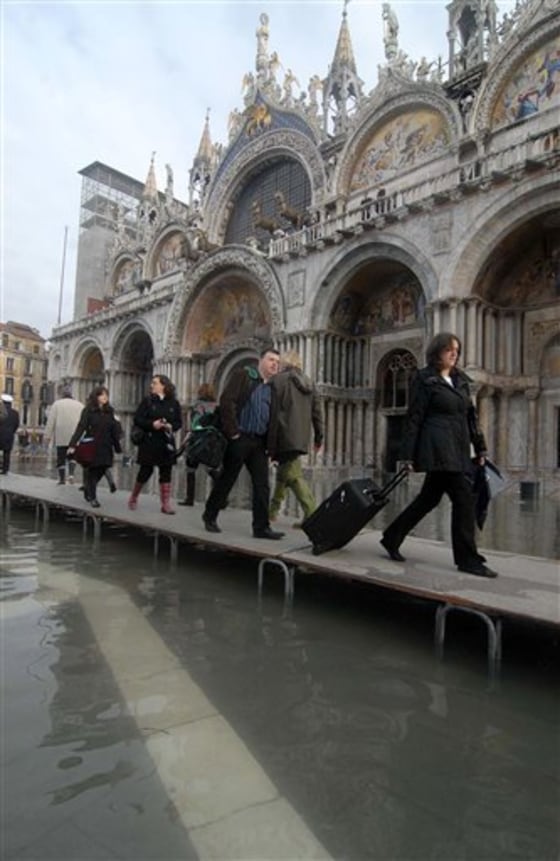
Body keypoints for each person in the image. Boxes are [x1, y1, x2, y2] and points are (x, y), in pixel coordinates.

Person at [380, 332, 497, 578]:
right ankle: (467, 559)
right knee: (464, 500)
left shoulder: (461, 380)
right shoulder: (424, 378)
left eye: (457, 349)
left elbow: (471, 417)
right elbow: (415, 417)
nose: (454, 354)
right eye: (449, 349)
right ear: (437, 352)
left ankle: (391, 537)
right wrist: (408, 456)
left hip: (459, 446)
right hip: (437, 446)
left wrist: (481, 447)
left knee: (428, 499)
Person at [202, 347, 285, 539]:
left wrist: (272, 447)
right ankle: (210, 515)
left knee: (262, 485)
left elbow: (273, 419)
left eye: (277, 362)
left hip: (259, 443)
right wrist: (233, 433)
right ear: (261, 361)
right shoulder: (244, 375)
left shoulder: (273, 388)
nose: (275, 364)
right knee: (227, 479)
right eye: (271, 360)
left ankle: (261, 527)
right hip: (240, 438)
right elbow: (227, 401)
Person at [268, 351, 324, 527]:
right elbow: (317, 413)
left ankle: (313, 515)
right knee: (285, 472)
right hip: (300, 437)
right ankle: (272, 512)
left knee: (294, 477)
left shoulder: (277, 380)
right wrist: (318, 438)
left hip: (281, 435)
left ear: (285, 363)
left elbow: (268, 409)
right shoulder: (310, 383)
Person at [128, 374, 183, 514]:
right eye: (152, 383)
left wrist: (171, 426)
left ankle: (165, 504)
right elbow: (138, 420)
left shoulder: (174, 403)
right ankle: (134, 497)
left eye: (155, 383)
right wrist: (152, 424)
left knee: (166, 472)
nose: (152, 385)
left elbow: (179, 423)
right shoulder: (147, 401)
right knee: (145, 471)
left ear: (163, 385)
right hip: (149, 441)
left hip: (166, 442)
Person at [67, 386, 122, 508]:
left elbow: (114, 429)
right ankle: (93, 497)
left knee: (104, 468)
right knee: (93, 470)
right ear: (96, 397)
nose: (105, 397)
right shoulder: (88, 410)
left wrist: (117, 446)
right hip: (93, 444)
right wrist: (72, 444)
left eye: (106, 395)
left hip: (107, 445)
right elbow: (81, 427)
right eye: (102, 395)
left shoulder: (110, 411)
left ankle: (88, 487)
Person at [179, 382, 218, 507]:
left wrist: (186, 439)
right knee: (211, 469)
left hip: (197, 439)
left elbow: (195, 424)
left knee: (191, 468)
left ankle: (189, 498)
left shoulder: (198, 406)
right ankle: (221, 498)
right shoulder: (216, 406)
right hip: (211, 440)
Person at [43, 385, 84, 485]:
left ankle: (62, 479)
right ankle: (71, 475)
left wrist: (47, 436)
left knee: (61, 457)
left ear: (62, 394)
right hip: (75, 436)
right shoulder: (80, 405)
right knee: (73, 456)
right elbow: (83, 422)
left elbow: (50, 422)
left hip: (61, 435)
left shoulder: (57, 404)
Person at [0, 393, 20, 474]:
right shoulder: (15, 413)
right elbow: (16, 425)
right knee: (7, 453)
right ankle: (5, 469)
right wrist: (12, 432)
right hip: (9, 436)